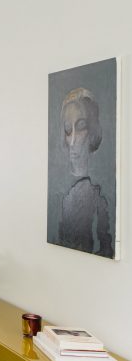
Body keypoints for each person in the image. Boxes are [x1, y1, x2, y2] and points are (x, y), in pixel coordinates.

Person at [58, 88, 112, 257]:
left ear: (92, 132)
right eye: (68, 129)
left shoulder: (99, 200)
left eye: (80, 127)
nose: (73, 141)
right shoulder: (62, 196)